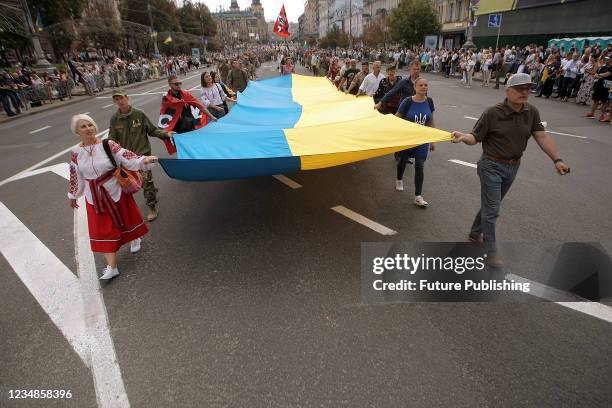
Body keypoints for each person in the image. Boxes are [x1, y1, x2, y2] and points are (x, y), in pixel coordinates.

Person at [451, 73, 570, 267]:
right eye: (520, 89)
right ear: (508, 91)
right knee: (493, 209)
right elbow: (475, 137)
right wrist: (464, 137)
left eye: (528, 89)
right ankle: (491, 251)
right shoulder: (493, 112)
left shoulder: (531, 111)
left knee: (491, 205)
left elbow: (541, 136)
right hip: (491, 165)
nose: (525, 92)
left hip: (513, 166)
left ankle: (474, 233)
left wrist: (557, 159)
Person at [68, 114, 158, 280]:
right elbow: (76, 175)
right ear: (76, 131)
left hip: (115, 189)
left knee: (126, 220)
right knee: (102, 230)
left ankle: (135, 237)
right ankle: (112, 267)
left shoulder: (108, 144)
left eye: (90, 124)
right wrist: (73, 195)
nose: (88, 128)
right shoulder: (76, 153)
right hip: (94, 196)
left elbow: (127, 157)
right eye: (83, 126)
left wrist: (144, 160)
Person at [109, 89, 174, 222]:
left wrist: (166, 134)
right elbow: (112, 140)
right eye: (117, 99)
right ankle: (151, 193)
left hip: (143, 156)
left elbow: (152, 130)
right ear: (114, 101)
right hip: (127, 159)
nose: (120, 101)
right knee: (129, 183)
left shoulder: (139, 114)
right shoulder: (115, 119)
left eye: (121, 98)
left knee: (146, 182)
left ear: (127, 98)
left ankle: (151, 206)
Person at [394, 78, 436, 207]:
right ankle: (399, 179)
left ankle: (418, 196)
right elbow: (397, 118)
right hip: (408, 139)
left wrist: (433, 140)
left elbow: (431, 122)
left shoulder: (429, 101)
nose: (424, 87)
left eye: (426, 85)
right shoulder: (407, 102)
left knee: (420, 165)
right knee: (403, 161)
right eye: (421, 85)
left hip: (423, 140)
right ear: (415, 87)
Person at [584, 56, 612, 122]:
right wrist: (599, 75)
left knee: (604, 102)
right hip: (599, 85)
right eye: (607, 59)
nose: (607, 60)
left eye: (609, 59)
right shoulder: (604, 66)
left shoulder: (611, 68)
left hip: (606, 87)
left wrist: (599, 75)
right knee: (595, 100)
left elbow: (606, 75)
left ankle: (602, 115)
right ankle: (592, 113)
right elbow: (596, 74)